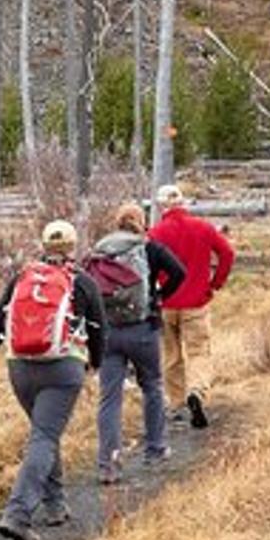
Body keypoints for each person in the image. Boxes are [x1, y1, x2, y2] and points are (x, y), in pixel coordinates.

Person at [0, 220, 105, 540]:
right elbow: (99, 334)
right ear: (73, 246)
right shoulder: (84, 282)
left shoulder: (21, 278)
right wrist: (96, 365)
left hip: (19, 368)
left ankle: (55, 505)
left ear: (44, 246)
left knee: (44, 432)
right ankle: (17, 515)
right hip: (63, 369)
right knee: (45, 437)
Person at [84, 203, 188, 484]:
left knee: (110, 398)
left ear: (116, 223)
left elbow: (86, 287)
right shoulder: (150, 248)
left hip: (108, 333)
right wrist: (159, 297)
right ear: (142, 222)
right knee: (152, 387)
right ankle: (155, 449)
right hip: (144, 329)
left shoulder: (100, 250)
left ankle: (108, 464)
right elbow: (180, 272)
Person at [147, 183, 234, 429]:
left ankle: (175, 405)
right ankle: (196, 392)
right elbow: (227, 253)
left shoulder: (155, 233)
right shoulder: (203, 228)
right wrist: (216, 282)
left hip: (166, 302)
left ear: (161, 205)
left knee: (171, 355)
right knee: (198, 352)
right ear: (183, 202)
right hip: (196, 301)